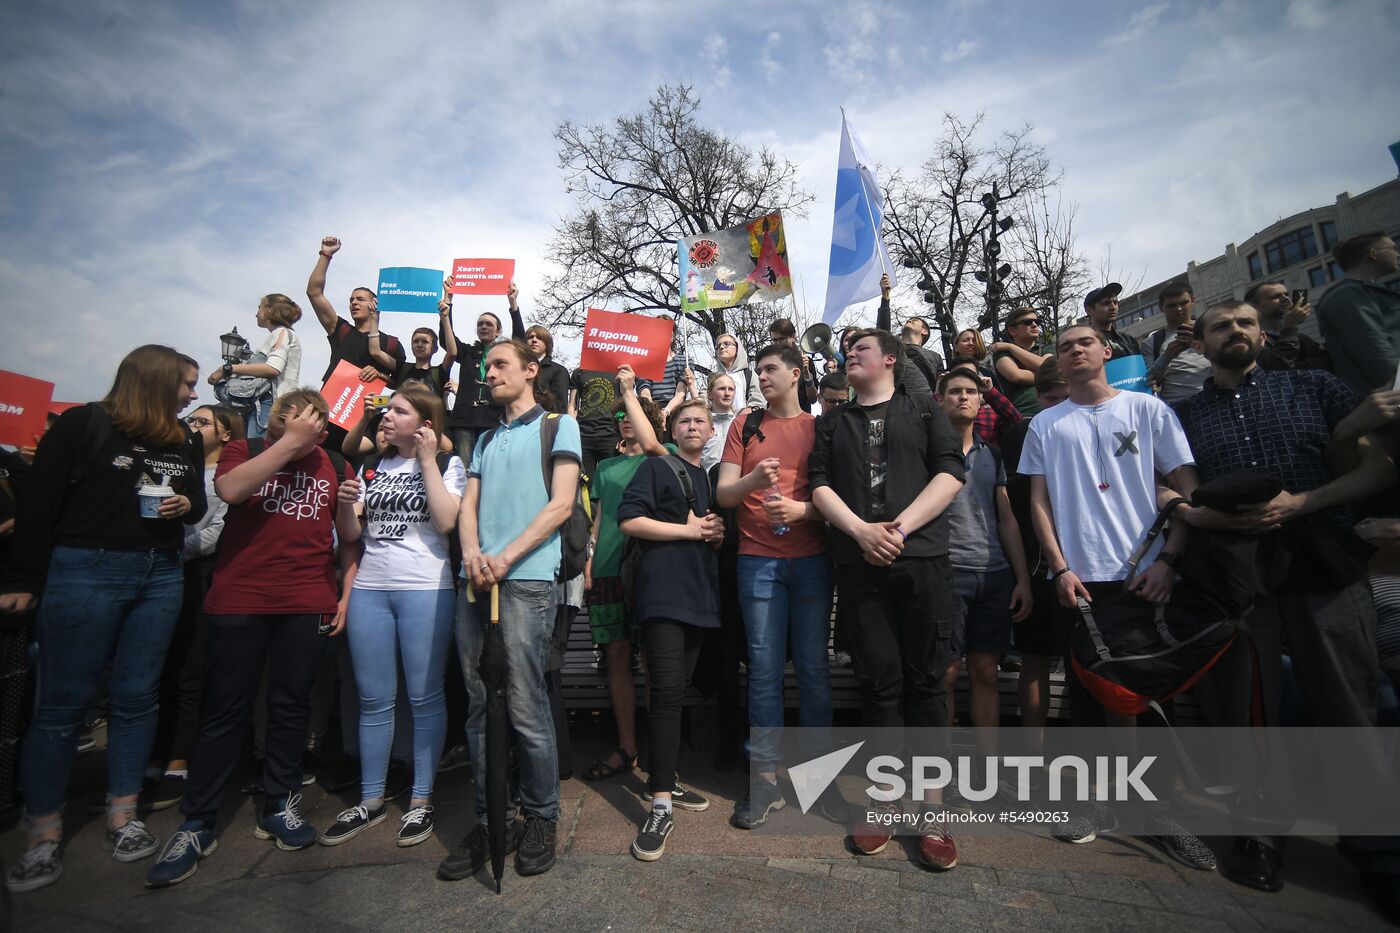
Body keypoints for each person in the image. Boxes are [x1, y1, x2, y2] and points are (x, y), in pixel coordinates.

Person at [1173, 299, 1398, 897]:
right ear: (1200, 343)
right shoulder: (1186, 414)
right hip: (1235, 573)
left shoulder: (1314, 388)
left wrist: (1304, 502)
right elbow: (1173, 483)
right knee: (1248, 707)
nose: (1237, 332)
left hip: (1321, 558)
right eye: (1222, 326)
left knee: (1349, 703)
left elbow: (1375, 471)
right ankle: (1259, 833)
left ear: (1262, 333)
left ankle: (1377, 850)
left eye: (1246, 323)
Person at [2, 346, 206, 893]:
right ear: (156, 381)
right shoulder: (83, 424)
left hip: (160, 572)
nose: (193, 393)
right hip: (84, 570)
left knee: (138, 697)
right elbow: (39, 502)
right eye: (187, 382)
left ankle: (123, 813)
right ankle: (42, 831)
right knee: (62, 704)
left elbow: (199, 502)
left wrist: (186, 506)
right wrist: (22, 579)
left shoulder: (183, 438)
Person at [1018, 324, 1214, 869]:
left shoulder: (1148, 411)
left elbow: (1186, 490)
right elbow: (1038, 502)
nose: (1074, 351)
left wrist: (1172, 561)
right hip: (1080, 580)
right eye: (1064, 346)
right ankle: (1096, 805)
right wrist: (1058, 568)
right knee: (1088, 694)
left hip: (1146, 576)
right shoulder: (1045, 424)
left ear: (1107, 351)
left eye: (1085, 342)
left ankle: (1160, 813)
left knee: (1152, 698)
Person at [144, 389, 353, 889]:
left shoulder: (331, 462)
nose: (310, 433)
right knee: (225, 709)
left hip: (304, 599)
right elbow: (232, 491)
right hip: (241, 597)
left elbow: (344, 536)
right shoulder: (248, 449)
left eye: (317, 426)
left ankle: (279, 802)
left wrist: (344, 506)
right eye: (299, 422)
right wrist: (287, 446)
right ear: (279, 420)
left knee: (290, 705)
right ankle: (198, 821)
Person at [809, 328, 965, 871]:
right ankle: (882, 802)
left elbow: (951, 474)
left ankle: (932, 811)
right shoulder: (834, 421)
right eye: (846, 351)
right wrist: (861, 532)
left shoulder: (925, 409)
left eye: (862, 349)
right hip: (859, 566)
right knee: (879, 686)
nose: (850, 354)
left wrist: (896, 529)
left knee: (926, 687)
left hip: (921, 562)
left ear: (891, 359)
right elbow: (819, 486)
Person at [438, 339, 581, 882]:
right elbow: (468, 506)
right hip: (476, 582)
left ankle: (541, 815)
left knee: (524, 703)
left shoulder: (556, 426)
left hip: (524, 582)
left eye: (499, 364)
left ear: (530, 369)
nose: (489, 373)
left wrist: (505, 557)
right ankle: (492, 817)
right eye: (485, 367)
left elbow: (561, 504)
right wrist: (474, 556)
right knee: (479, 708)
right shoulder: (487, 439)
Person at [323, 385, 466, 848]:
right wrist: (347, 503)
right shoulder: (371, 465)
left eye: (398, 411)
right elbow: (350, 534)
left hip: (425, 587)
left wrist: (426, 461)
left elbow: (447, 523)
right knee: (373, 699)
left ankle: (421, 801)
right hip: (370, 589)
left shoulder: (448, 465)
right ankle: (371, 799)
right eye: (388, 410)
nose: (386, 416)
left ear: (424, 422)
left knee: (424, 697)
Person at [717, 344, 833, 829]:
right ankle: (764, 781)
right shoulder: (745, 425)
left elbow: (839, 496)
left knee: (813, 670)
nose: (761, 377)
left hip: (811, 560)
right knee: (763, 671)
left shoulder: (821, 426)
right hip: (758, 561)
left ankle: (818, 784)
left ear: (796, 373)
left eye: (770, 369)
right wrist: (752, 481)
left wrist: (804, 511)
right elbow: (723, 493)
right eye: (758, 370)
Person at [618, 400, 725, 859]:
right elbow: (629, 520)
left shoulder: (709, 479)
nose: (694, 425)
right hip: (663, 597)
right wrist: (689, 532)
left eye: (701, 420)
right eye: (685, 420)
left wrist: (713, 535)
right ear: (671, 430)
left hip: (700, 600)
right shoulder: (656, 466)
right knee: (665, 696)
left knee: (676, 694)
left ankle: (666, 778)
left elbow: (704, 532)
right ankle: (660, 800)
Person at [145, 404, 243, 811]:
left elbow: (218, 529)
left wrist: (169, 551)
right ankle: (152, 754)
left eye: (203, 422)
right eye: (191, 420)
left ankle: (180, 759)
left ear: (225, 434)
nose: (192, 426)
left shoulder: (229, 473)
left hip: (199, 571)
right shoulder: (174, 466)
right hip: (158, 571)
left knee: (191, 668)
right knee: (158, 668)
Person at [579, 369, 667, 784]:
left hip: (649, 569)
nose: (625, 421)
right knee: (616, 656)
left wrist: (633, 394)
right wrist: (590, 561)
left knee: (653, 660)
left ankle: (658, 750)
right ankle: (627, 746)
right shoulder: (606, 467)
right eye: (621, 418)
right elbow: (598, 520)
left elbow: (653, 444)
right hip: (610, 567)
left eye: (633, 416)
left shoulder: (661, 453)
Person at [936, 369, 1032, 748]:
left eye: (971, 391)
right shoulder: (928, 454)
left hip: (993, 576)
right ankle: (938, 777)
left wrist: (1022, 577)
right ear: (940, 399)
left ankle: (986, 769)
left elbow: (1006, 519)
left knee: (986, 673)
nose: (963, 397)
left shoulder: (992, 452)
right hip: (947, 574)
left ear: (980, 401)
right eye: (955, 391)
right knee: (945, 674)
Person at [996, 359, 1071, 744]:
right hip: (1038, 562)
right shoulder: (1021, 434)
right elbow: (1016, 504)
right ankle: (1032, 752)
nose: (1059, 405)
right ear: (1037, 397)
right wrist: (1024, 571)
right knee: (1035, 659)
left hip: (1087, 563)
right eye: (1051, 397)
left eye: (1066, 396)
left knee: (1086, 664)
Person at [440, 283, 524, 464]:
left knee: (491, 468)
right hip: (464, 421)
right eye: (480, 324)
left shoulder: (505, 354)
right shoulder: (467, 352)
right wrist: (448, 303)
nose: (484, 327)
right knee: (464, 470)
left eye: (489, 324)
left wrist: (513, 305)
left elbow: (521, 343)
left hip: (493, 420)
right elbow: (447, 342)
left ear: (499, 331)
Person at [1317, 231, 1400, 398]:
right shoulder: (1346, 295)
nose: (1397, 254)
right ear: (1373, 254)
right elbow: (1375, 351)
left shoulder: (1360, 292)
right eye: (1393, 248)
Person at [207, 294, 303, 438]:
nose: (256, 313)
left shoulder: (281, 333)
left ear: (269, 309)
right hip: (273, 405)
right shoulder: (284, 334)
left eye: (260, 307)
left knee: (256, 450)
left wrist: (227, 369)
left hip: (268, 404)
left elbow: (273, 368)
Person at [569, 365, 651, 481]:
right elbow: (572, 406)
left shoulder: (620, 371)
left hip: (610, 435)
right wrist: (571, 432)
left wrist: (621, 434)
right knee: (584, 481)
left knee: (611, 478)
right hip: (583, 435)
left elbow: (623, 405)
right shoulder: (579, 372)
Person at [1144, 285, 1211, 403]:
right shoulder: (1152, 341)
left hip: (1213, 400)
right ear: (1161, 307)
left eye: (1184, 303)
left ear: (1193, 300)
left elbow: (1230, 361)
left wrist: (1204, 344)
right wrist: (1167, 356)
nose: (1179, 309)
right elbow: (1148, 380)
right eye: (1172, 305)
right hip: (1176, 407)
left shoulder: (1211, 330)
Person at [1244, 281, 1330, 371]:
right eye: (1276, 297)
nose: (1286, 299)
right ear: (1253, 307)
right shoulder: (1250, 341)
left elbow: (1326, 362)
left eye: (1286, 294)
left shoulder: (1300, 338)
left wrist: (1293, 368)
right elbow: (1276, 369)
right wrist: (1290, 326)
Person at [875, 273, 936, 397]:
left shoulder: (935, 357)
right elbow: (882, 334)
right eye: (908, 320)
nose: (909, 320)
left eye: (915, 320)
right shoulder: (893, 349)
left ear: (924, 331)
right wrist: (885, 298)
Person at [990, 307, 1052, 416]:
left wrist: (1010, 347)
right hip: (1023, 416)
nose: (1034, 325)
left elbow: (1044, 365)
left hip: (1054, 411)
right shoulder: (1002, 354)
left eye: (1037, 321)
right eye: (1027, 322)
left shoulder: (1049, 349)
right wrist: (1048, 375)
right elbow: (1016, 375)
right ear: (1012, 330)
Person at [391, 309, 456, 398]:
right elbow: (376, 352)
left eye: (425, 342)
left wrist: (445, 318)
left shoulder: (439, 372)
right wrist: (374, 317)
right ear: (411, 346)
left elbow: (452, 352)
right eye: (416, 341)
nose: (419, 345)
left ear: (435, 348)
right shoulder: (402, 368)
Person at [768, 318, 819, 410]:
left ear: (793, 337)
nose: (779, 344)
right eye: (775, 340)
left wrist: (806, 375)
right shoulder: (769, 363)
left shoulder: (806, 362)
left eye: (782, 339)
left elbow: (813, 399)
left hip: (801, 417)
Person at [1082, 283, 1142, 359]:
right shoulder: (1083, 343)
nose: (1113, 307)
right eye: (1106, 303)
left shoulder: (1129, 341)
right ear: (1090, 310)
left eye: (1115, 302)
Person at [713, 333, 765, 410]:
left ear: (737, 349)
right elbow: (703, 403)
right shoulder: (712, 378)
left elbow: (758, 400)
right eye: (718, 346)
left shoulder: (749, 375)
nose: (721, 347)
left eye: (726, 344)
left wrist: (747, 414)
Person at [702, 372, 739, 471]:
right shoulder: (700, 424)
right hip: (706, 482)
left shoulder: (740, 423)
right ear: (710, 394)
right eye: (722, 389)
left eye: (731, 389)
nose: (727, 393)